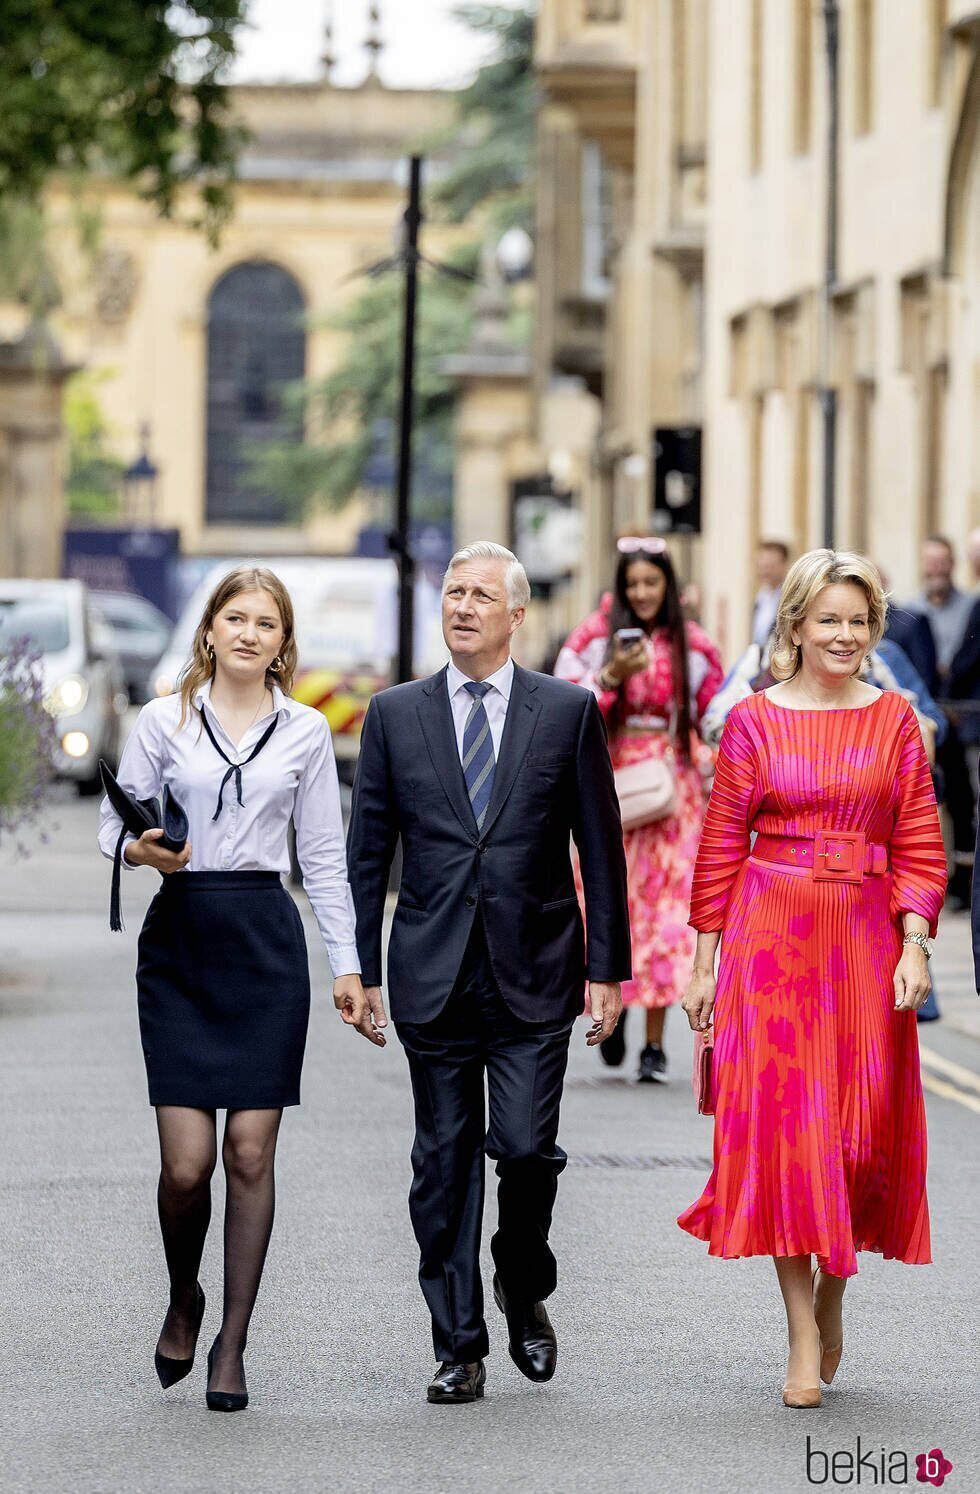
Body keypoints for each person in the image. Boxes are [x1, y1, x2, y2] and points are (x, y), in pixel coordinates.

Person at [345, 541, 630, 1405]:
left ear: (517, 614)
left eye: (481, 595)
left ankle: (521, 1278)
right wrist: (359, 967)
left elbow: (601, 848)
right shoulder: (395, 715)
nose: (463, 606)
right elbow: (367, 856)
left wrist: (609, 970)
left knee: (526, 1149)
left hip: (538, 969)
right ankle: (459, 1344)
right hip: (432, 974)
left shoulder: (567, 710)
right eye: (453, 592)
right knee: (443, 1164)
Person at [678, 550, 946, 1409]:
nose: (844, 635)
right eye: (827, 619)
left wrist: (916, 942)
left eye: (859, 620)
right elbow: (721, 842)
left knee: (861, 1135)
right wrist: (702, 960)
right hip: (772, 938)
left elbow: (917, 838)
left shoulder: (897, 719)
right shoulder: (755, 720)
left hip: (867, 936)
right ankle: (801, 1334)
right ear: (793, 625)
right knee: (789, 1136)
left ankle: (836, 1288)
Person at [98, 566, 367, 1413]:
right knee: (188, 1165)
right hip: (182, 938)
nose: (250, 633)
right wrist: (146, 851)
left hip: (263, 941)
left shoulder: (308, 733)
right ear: (209, 630)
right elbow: (116, 824)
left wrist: (348, 966)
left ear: (285, 643)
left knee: (250, 1151)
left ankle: (233, 1340)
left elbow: (323, 855)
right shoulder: (161, 721)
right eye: (236, 618)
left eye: (267, 623)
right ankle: (185, 1295)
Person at [554, 537, 724, 1081]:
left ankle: (654, 1043)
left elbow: (714, 711)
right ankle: (614, 1011)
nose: (644, 593)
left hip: (674, 793)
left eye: (653, 583)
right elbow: (563, 702)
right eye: (634, 584)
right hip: (612, 782)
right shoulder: (591, 637)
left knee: (668, 914)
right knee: (611, 903)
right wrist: (610, 677)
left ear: (668, 586)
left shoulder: (692, 644)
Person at [912, 536, 975, 908]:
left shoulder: (970, 605)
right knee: (930, 797)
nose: (936, 569)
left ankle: (962, 881)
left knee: (963, 800)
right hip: (930, 710)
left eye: (943, 561)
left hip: (962, 714)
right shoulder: (912, 609)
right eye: (930, 562)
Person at [751, 539, 791, 652]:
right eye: (762, 566)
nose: (765, 571)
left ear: (784, 564)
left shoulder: (790, 597)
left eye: (770, 566)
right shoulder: (760, 597)